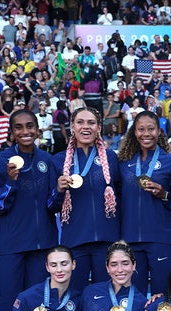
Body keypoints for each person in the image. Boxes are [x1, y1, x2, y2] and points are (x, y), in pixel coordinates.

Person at [0, 110, 58, 311]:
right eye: (19, 127)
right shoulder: (0, 161)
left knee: (40, 306)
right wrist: (10, 181)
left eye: (30, 126)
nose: (25, 131)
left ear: (38, 129)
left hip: (42, 247)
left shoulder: (47, 161)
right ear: (12, 132)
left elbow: (52, 205)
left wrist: (59, 191)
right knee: (8, 306)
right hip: (10, 246)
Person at [49, 107, 120, 291]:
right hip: (75, 242)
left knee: (105, 299)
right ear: (72, 126)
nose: (85, 127)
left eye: (91, 122)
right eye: (80, 122)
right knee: (74, 298)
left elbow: (121, 199)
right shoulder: (59, 160)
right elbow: (50, 206)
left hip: (106, 241)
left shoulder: (111, 158)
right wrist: (58, 190)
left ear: (99, 127)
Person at [117, 111, 171, 295]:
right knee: (132, 296)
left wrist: (163, 194)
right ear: (134, 133)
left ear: (159, 132)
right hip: (130, 239)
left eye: (151, 129)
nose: (146, 134)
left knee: (163, 295)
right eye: (141, 129)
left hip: (161, 237)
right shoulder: (123, 163)